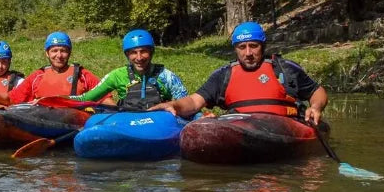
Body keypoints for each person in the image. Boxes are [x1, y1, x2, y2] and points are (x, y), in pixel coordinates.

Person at [152, 22, 328, 125]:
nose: (248, 53)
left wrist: (315, 107)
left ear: (263, 46)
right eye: (242, 47)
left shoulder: (285, 68)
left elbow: (317, 92)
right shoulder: (223, 75)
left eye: (254, 46)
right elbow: (194, 101)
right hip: (242, 128)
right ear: (235, 49)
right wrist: (174, 105)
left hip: (285, 127)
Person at [69, 29, 189, 110]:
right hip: (129, 125)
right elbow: (85, 98)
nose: (139, 57)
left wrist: (199, 118)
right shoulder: (117, 75)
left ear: (151, 52)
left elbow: (187, 104)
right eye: (133, 53)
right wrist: (54, 100)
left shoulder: (167, 76)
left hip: (159, 125)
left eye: (144, 51)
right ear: (127, 55)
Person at [7, 31, 105, 103]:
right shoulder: (37, 76)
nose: (59, 55)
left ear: (69, 52)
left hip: (75, 125)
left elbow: (105, 99)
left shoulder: (82, 74)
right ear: (47, 53)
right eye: (54, 51)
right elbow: (12, 98)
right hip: (44, 124)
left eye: (63, 51)